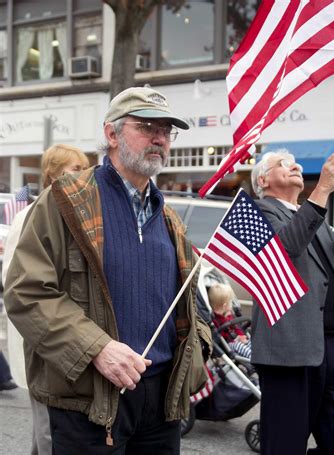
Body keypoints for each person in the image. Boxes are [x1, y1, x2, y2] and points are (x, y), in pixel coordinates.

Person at [4, 86, 212, 454]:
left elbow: (191, 304)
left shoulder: (169, 220)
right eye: (147, 126)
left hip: (161, 404)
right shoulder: (65, 201)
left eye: (166, 130)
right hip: (89, 402)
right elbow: (25, 291)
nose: (159, 138)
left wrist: (198, 354)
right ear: (111, 134)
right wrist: (97, 348)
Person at [250, 148, 334, 455]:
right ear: (262, 180)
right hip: (290, 349)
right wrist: (324, 188)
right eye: (283, 164)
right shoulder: (258, 212)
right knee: (285, 442)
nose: (296, 166)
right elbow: (284, 250)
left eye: (295, 162)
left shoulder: (309, 214)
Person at [2, 144, 89, 455]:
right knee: (48, 430)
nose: (83, 175)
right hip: (41, 340)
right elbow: (14, 281)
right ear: (54, 173)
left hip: (71, 340)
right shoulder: (31, 215)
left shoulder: (77, 213)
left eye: (83, 168)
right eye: (75, 168)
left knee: (51, 434)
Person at [208, 282, 252, 359]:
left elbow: (237, 327)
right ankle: (253, 358)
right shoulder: (214, 319)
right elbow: (219, 335)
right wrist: (236, 339)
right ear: (225, 305)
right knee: (239, 346)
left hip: (237, 339)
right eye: (230, 302)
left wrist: (241, 336)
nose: (232, 304)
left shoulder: (229, 314)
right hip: (228, 344)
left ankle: (260, 355)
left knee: (251, 340)